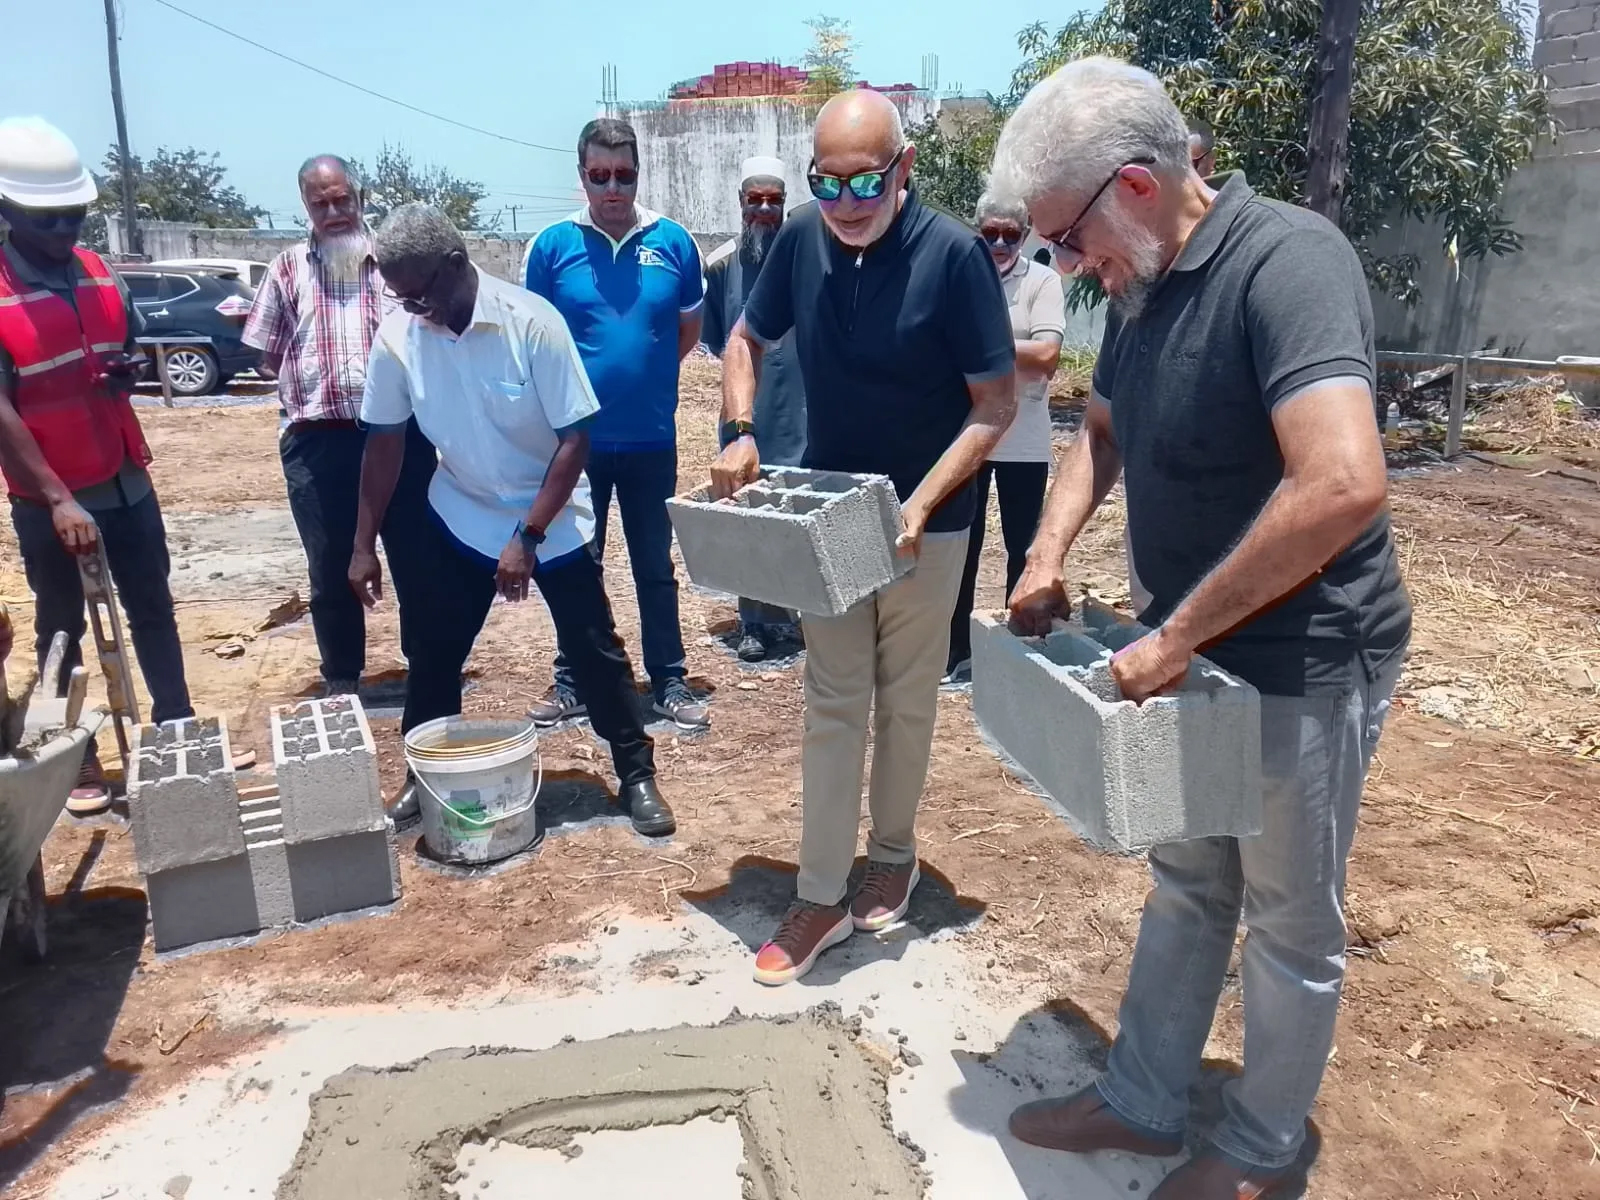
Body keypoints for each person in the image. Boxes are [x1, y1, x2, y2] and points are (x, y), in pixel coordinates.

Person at [989, 58, 1412, 1198]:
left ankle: (1261, 1148)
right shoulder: (1139, 291)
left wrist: (1177, 636)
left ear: (1132, 184)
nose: (1068, 268)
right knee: (1187, 878)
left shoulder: (1290, 263)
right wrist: (1043, 552)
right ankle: (1141, 1099)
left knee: (1286, 920)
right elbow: (1101, 434)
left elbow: (1340, 484)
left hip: (1305, 662)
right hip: (1188, 656)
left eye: (1068, 241)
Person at [713, 90, 1017, 985]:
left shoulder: (956, 257)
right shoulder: (803, 238)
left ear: (905, 168)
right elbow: (745, 339)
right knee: (835, 697)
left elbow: (994, 406)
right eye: (828, 183)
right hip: (833, 511)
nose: (845, 204)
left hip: (935, 519)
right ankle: (818, 895)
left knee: (908, 696)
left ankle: (893, 853)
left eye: (865, 183)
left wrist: (920, 504)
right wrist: (738, 430)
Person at [350, 204, 676, 837]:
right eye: (402, 299)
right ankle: (423, 776)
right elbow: (384, 444)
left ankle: (636, 774)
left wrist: (527, 537)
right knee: (434, 652)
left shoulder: (533, 323)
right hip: (463, 512)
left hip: (550, 517)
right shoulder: (399, 339)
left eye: (419, 295)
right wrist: (363, 544)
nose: (413, 309)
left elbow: (574, 441)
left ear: (454, 267)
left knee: (594, 654)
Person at [0, 117, 194, 814]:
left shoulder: (95, 271)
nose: (65, 230)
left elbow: (128, 350)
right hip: (51, 494)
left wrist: (126, 372)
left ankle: (178, 732)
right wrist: (56, 499)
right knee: (63, 629)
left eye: (74, 216)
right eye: (48, 219)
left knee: (153, 609)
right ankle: (77, 763)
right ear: (8, 213)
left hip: (122, 473)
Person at [522, 119, 708, 730]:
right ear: (582, 177)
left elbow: (687, 331)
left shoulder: (673, 242)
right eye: (599, 176)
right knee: (579, 565)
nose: (612, 188)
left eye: (623, 176)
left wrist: (643, 377)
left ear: (637, 175)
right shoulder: (551, 248)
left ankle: (670, 681)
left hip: (653, 438)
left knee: (655, 565)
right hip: (578, 446)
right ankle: (574, 680)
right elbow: (537, 343)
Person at [244, 155, 435, 712]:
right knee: (330, 565)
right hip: (318, 442)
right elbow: (265, 353)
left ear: (358, 196)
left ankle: (426, 667)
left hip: (400, 438)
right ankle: (343, 679)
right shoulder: (285, 269)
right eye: (320, 203)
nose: (333, 212)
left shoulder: (395, 265)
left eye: (341, 199)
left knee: (415, 556)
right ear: (305, 205)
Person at [943, 191, 1065, 682]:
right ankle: (960, 654)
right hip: (970, 433)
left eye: (1009, 235)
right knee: (963, 547)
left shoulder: (1043, 281)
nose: (998, 244)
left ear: (1025, 233)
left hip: (1025, 439)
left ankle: (1019, 655)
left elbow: (1048, 356)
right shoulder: (961, 277)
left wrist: (984, 347)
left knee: (1021, 547)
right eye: (989, 233)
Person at [700, 155, 807, 663]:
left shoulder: (807, 257)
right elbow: (717, 340)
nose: (764, 210)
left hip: (802, 408)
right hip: (745, 415)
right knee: (749, 516)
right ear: (740, 202)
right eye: (754, 200)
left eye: (774, 201)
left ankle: (791, 614)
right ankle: (754, 622)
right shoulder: (721, 266)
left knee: (795, 513)